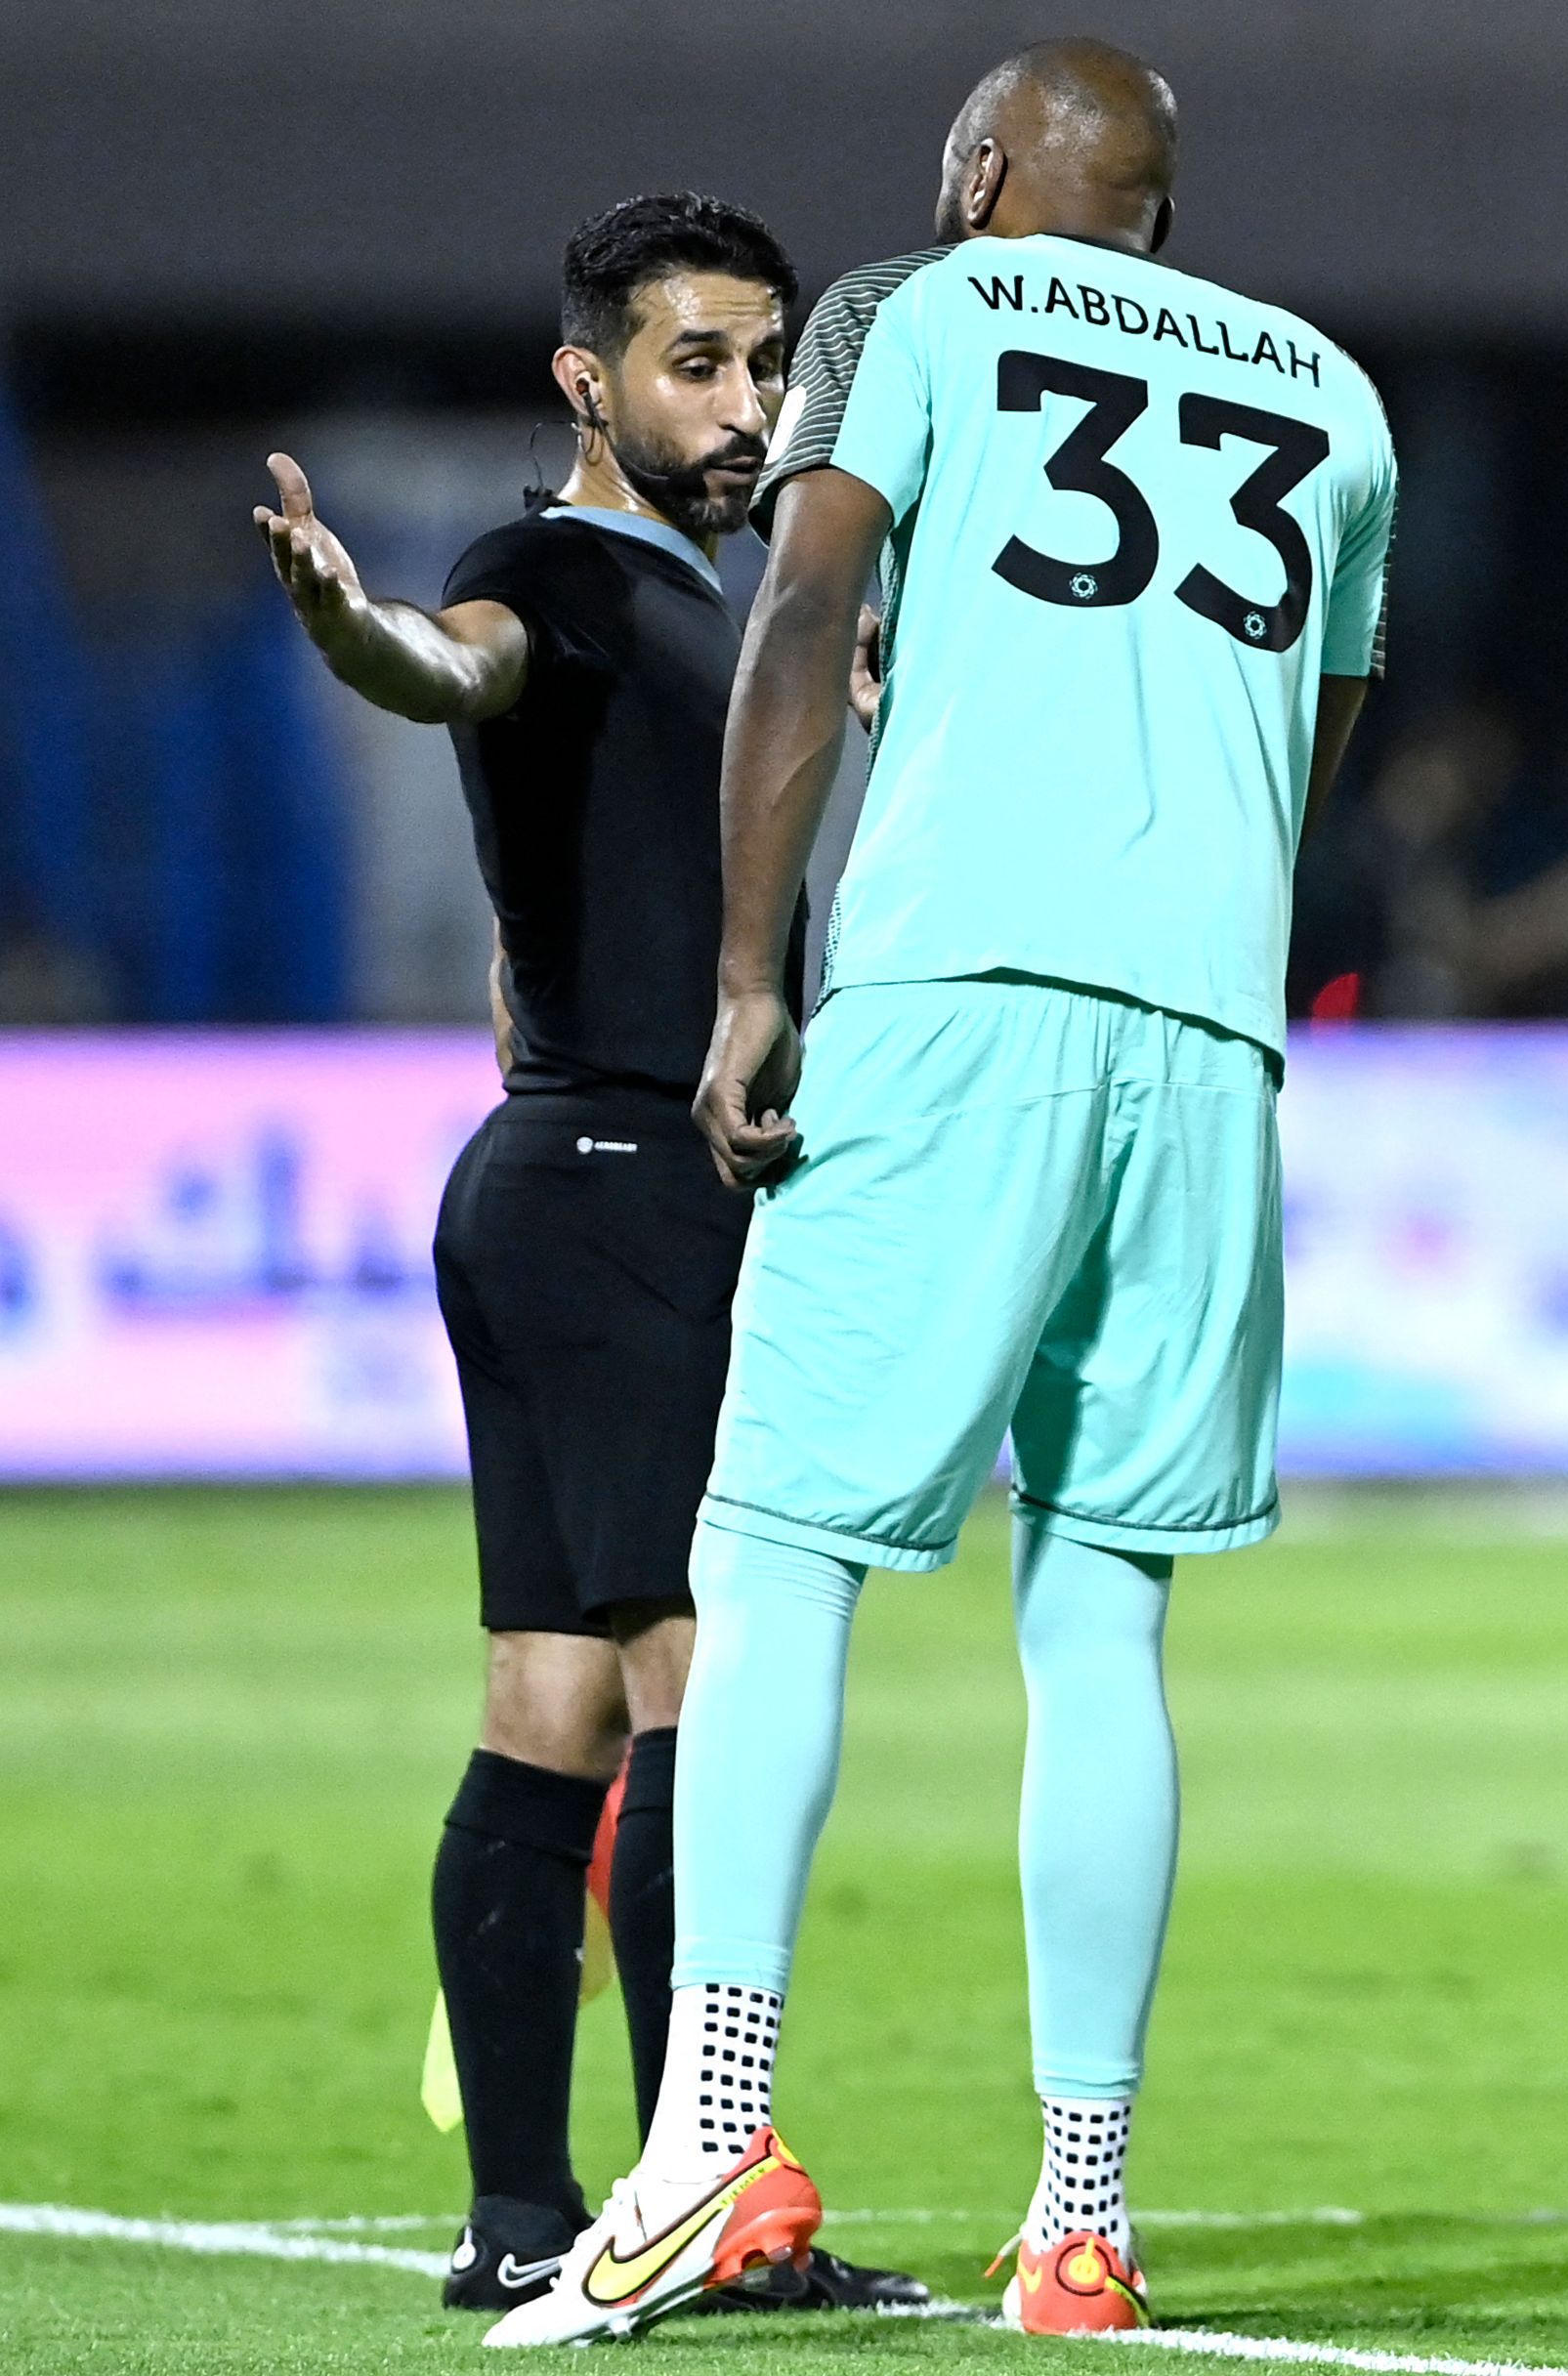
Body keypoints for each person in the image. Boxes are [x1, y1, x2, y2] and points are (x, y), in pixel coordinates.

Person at [489, 39, 1396, 2347]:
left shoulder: (919, 310)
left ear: (985, 173)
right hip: (1207, 1033)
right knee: (1102, 1613)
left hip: (961, 984)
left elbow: (800, 620)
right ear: (1164, 215)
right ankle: (1079, 2216)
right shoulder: (1338, 393)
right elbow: (1322, 729)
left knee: (771, 1550)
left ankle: (704, 2146)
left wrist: (743, 973)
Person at [255, 191, 922, 2323]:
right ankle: (687, 2197)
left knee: (550, 1703)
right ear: (588, 382)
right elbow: (451, 669)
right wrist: (359, 631)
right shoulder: (551, 572)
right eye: (696, 366)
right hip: (620, 1183)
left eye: (762, 365)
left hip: (560, 1179)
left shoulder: (743, 602)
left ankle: (528, 2216)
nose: (741, 407)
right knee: (694, 1705)